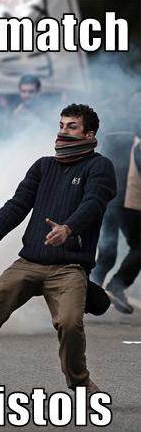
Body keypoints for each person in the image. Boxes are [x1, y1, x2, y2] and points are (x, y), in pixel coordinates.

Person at [0, 104, 117, 406]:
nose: (63, 132)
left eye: (72, 126)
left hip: (69, 267)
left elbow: (94, 203)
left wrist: (68, 228)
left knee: (69, 323)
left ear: (89, 134)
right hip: (29, 262)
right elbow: (18, 203)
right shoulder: (43, 166)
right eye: (61, 125)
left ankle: (80, 383)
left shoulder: (99, 167)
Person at [92, 97, 141, 313]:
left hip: (105, 195)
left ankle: (86, 292)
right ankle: (116, 286)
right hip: (125, 198)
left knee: (107, 251)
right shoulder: (135, 131)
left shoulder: (112, 126)